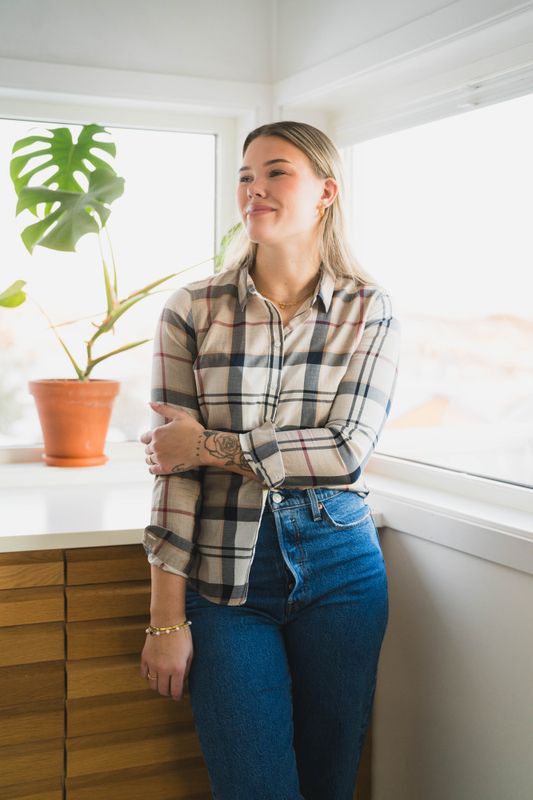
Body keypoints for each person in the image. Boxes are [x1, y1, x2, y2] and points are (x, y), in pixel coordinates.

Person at [139, 120, 401, 800]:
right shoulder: (190, 309)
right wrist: (166, 620)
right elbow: (173, 475)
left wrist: (203, 445)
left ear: (325, 192)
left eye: (275, 172)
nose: (253, 189)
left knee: (329, 781)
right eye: (244, 177)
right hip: (225, 582)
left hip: (343, 568)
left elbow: (346, 451)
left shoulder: (369, 310)